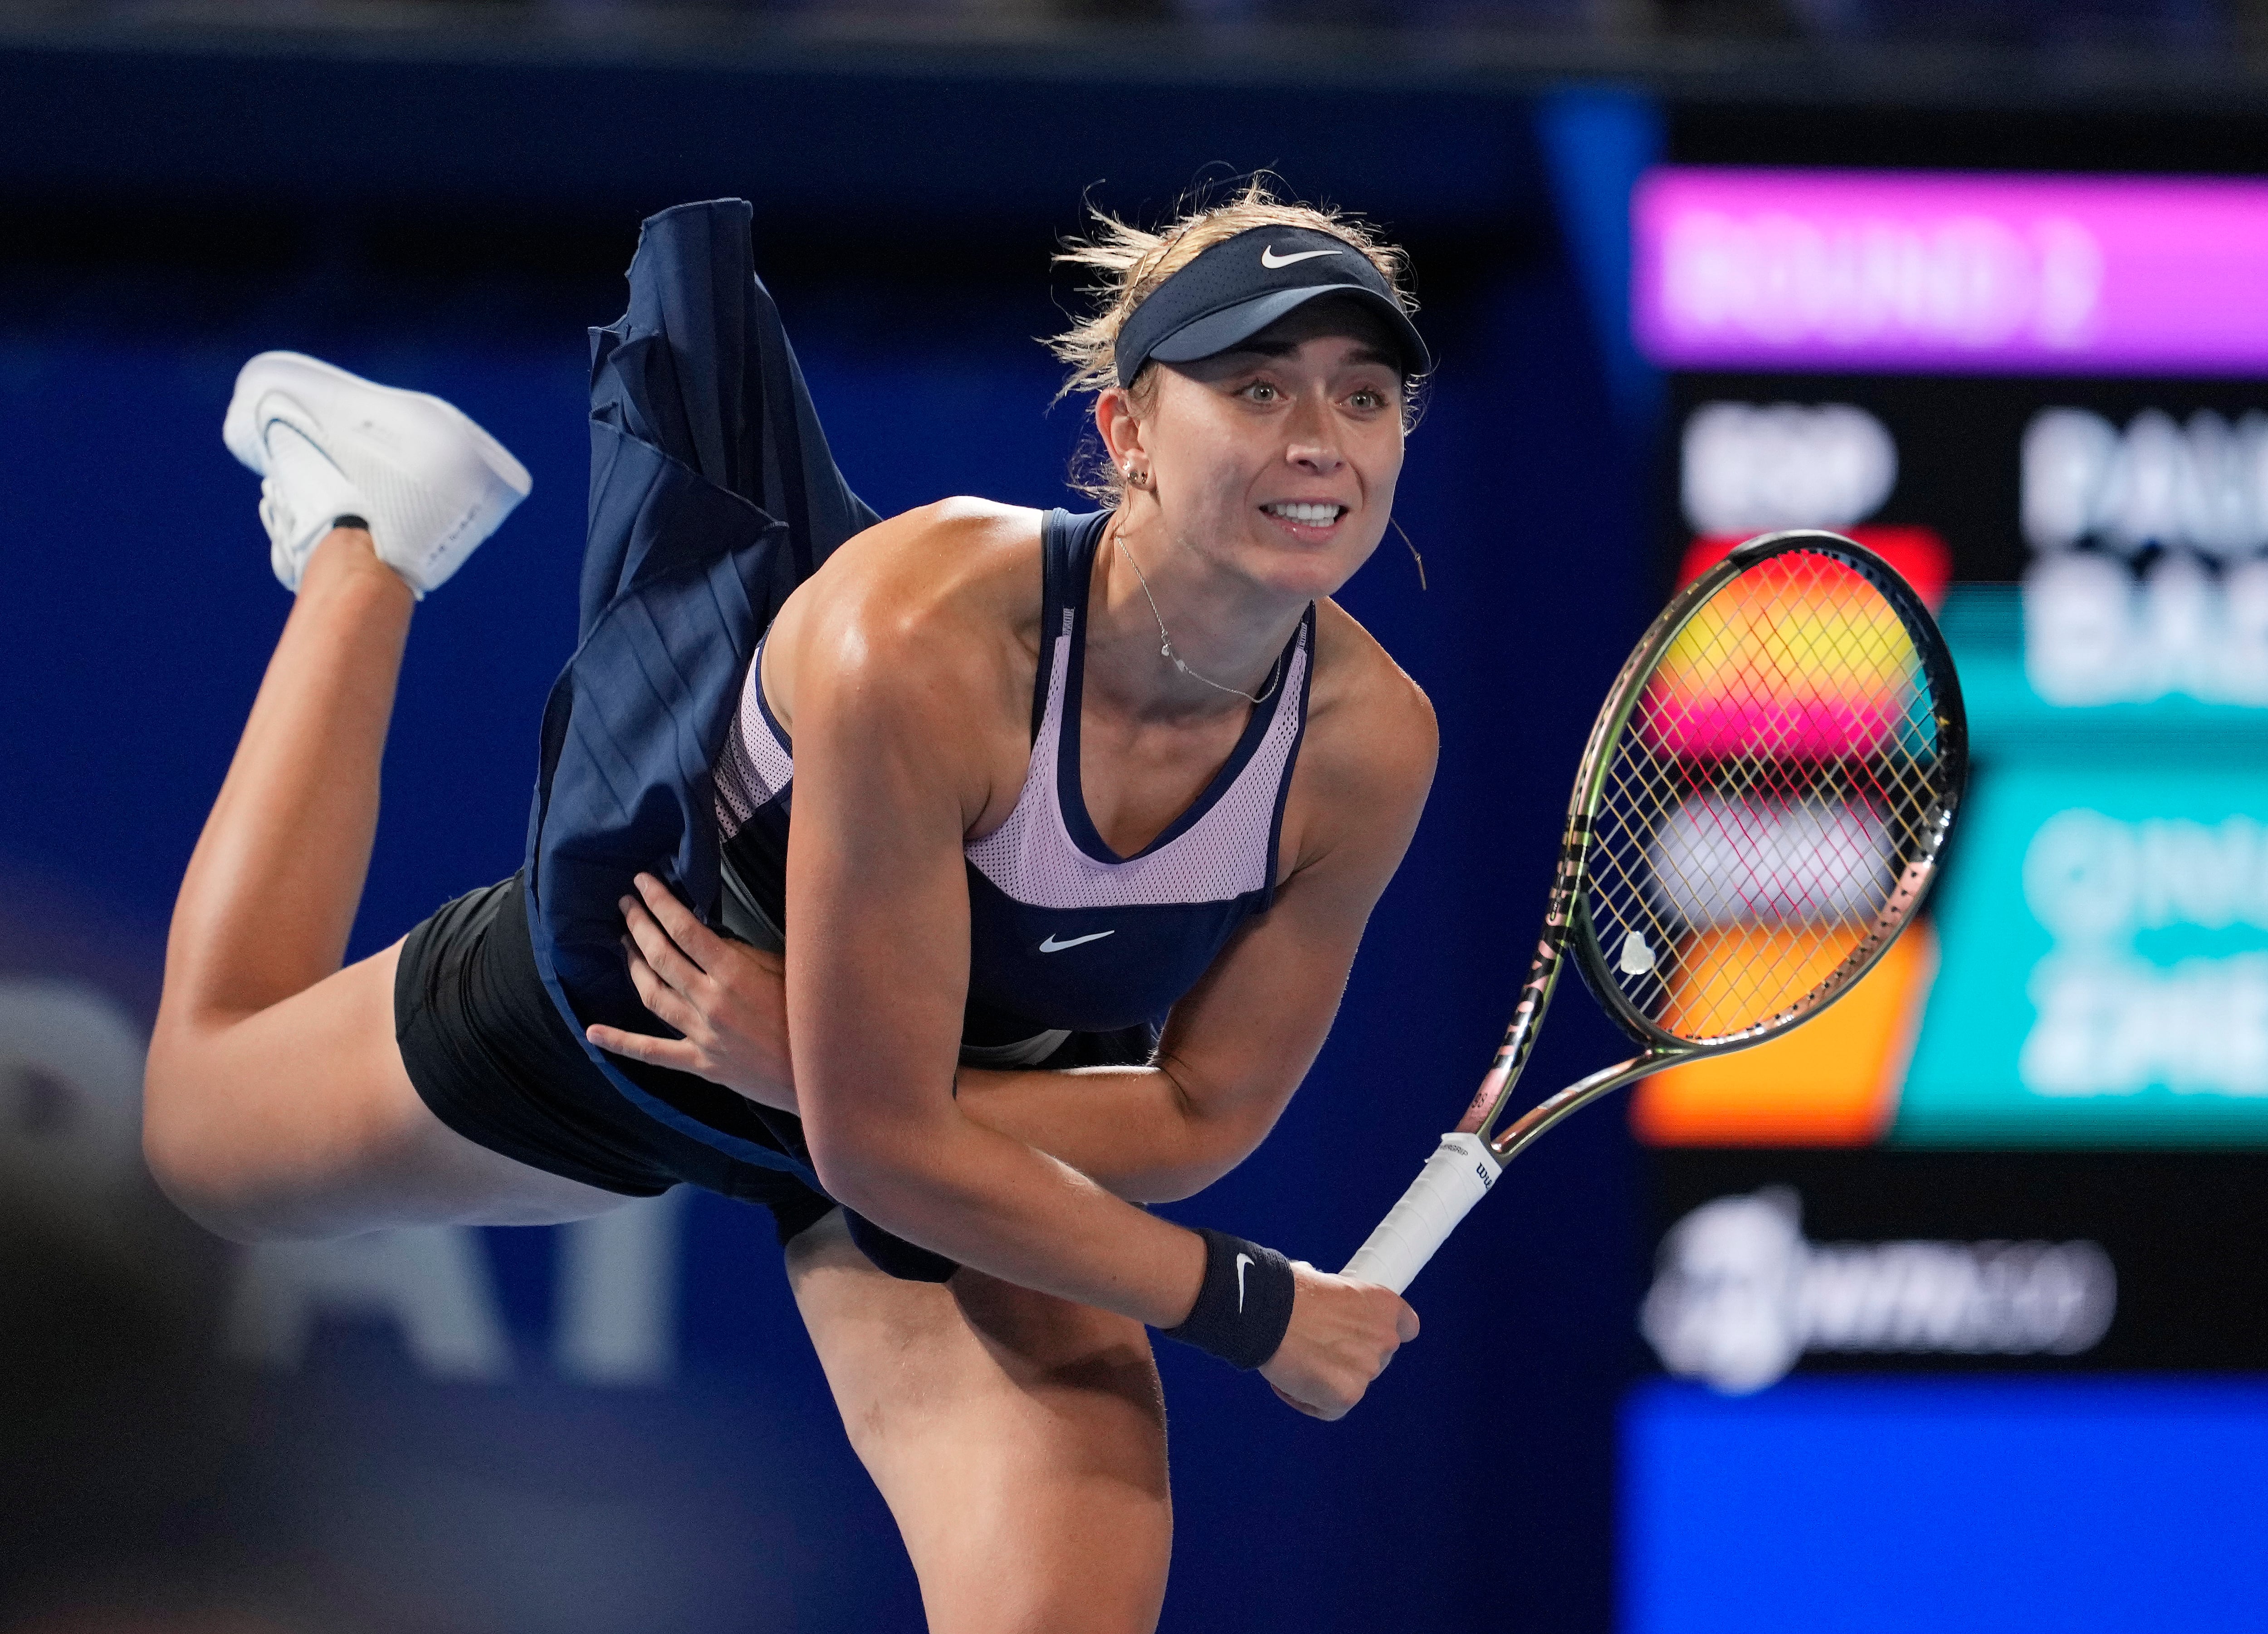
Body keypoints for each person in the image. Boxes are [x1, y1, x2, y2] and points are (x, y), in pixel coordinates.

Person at [144, 180, 1437, 1634]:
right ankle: (369, 533)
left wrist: (851, 1084)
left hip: (952, 1098)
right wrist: (1254, 1310)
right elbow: (874, 1141)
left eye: (1366, 394)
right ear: (1130, 431)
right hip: (676, 984)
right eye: (1257, 387)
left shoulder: (1371, 741)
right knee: (201, 1135)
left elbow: (1199, 1111)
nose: (1320, 440)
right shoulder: (920, 636)